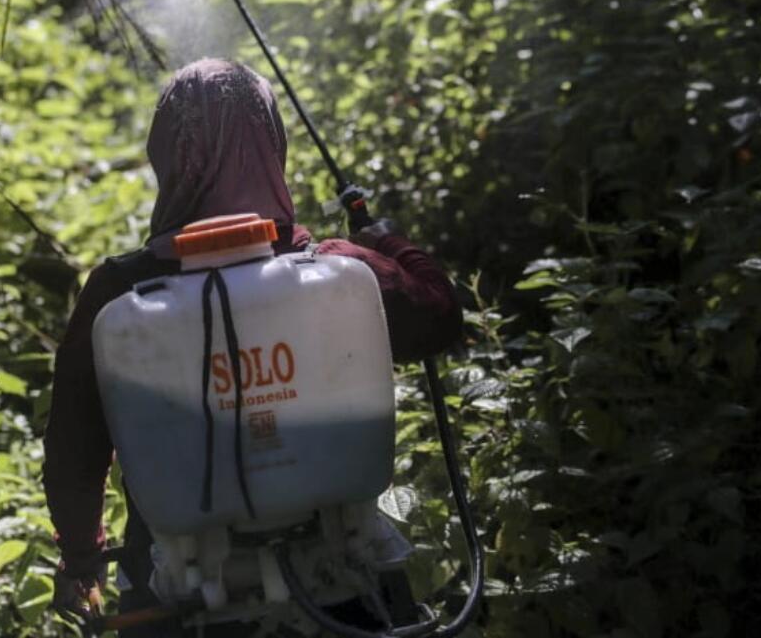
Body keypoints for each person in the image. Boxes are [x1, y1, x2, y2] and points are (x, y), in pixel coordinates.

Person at [43, 58, 463, 633]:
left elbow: (74, 447)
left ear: (166, 150)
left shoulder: (118, 294)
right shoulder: (336, 268)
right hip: (346, 578)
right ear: (271, 142)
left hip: (181, 592)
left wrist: (82, 555)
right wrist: (387, 240)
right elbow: (440, 316)